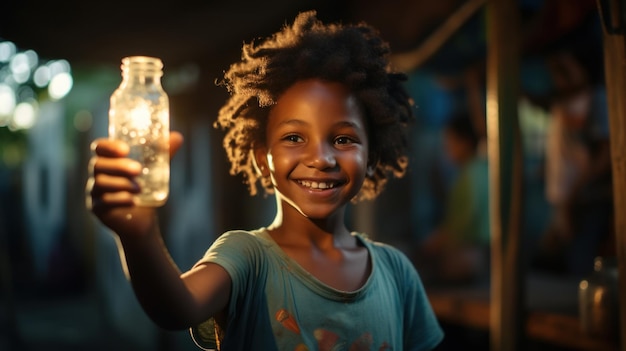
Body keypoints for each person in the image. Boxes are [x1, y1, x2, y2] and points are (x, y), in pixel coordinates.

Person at [86, 11, 444, 350]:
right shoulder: (247, 258)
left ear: (371, 158)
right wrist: (138, 237)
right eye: (293, 138)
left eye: (343, 139)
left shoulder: (396, 272)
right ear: (262, 159)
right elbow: (175, 308)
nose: (321, 158)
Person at [417, 111, 490, 285]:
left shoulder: (467, 178)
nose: (446, 149)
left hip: (475, 256)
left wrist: (434, 242)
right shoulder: (483, 170)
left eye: (449, 143)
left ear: (464, 143)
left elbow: (462, 227)